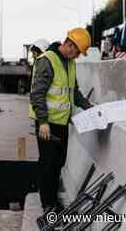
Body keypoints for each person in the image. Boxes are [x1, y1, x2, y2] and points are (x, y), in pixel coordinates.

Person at [29, 28, 93, 212]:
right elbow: (37, 94)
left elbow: (74, 92)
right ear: (70, 44)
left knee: (58, 163)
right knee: (47, 164)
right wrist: (42, 122)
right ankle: (47, 204)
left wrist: (89, 107)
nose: (78, 55)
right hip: (46, 125)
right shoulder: (47, 60)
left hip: (62, 123)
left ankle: (53, 201)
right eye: (78, 51)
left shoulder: (70, 63)